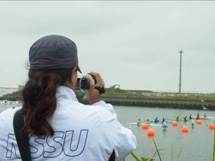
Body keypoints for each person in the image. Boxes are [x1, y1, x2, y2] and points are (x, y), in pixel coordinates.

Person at [0, 35, 136, 161]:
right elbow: (127, 143)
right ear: (73, 73)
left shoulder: (6, 121)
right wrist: (97, 102)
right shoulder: (99, 119)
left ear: (31, 74)